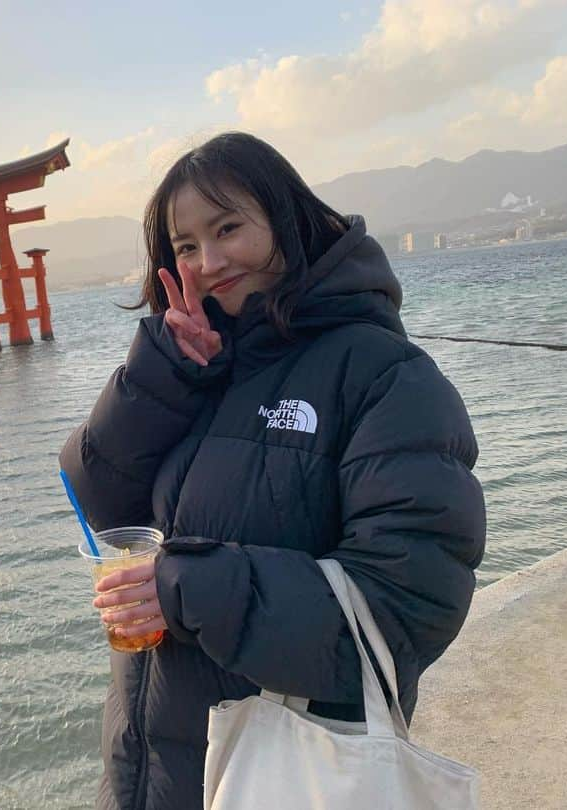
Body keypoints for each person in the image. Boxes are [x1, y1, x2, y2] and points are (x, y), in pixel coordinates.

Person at [58, 132, 486, 810]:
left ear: (286, 221)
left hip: (287, 775)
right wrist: (162, 371)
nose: (210, 261)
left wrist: (190, 588)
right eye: (186, 247)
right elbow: (100, 502)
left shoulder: (385, 377)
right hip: (154, 771)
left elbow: (409, 607)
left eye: (228, 228)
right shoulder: (199, 365)